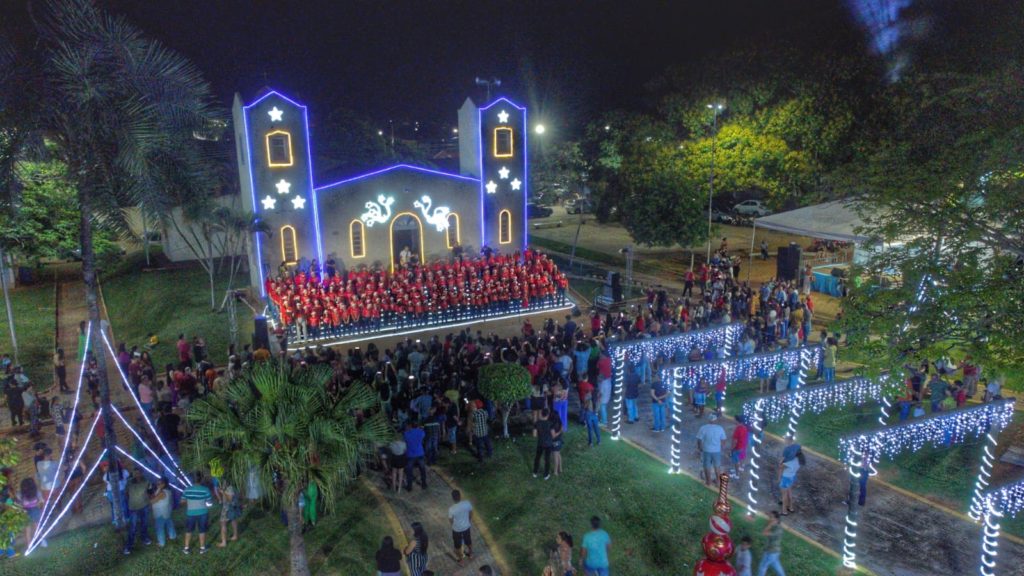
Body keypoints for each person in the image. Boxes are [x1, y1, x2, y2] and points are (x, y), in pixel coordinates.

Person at [182, 472, 213, 554]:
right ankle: (202, 548)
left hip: (190, 513)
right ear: (201, 479)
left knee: (189, 530)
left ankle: (186, 548)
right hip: (203, 513)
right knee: (202, 530)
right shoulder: (205, 489)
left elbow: (182, 501)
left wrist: (190, 503)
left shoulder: (187, 489)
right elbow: (209, 503)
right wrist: (206, 504)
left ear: (192, 480)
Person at [124, 468, 153, 554]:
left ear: (141, 473)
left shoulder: (146, 481)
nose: (136, 475)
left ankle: (144, 538)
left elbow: (150, 492)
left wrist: (148, 501)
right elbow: (126, 493)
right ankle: (129, 545)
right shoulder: (129, 482)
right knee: (133, 527)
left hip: (144, 506)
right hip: (133, 508)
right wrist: (132, 501)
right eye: (134, 473)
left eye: (138, 473)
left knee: (144, 523)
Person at [696, 415, 727, 486]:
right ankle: (718, 482)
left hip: (706, 450)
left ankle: (708, 482)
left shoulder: (703, 428)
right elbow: (723, 439)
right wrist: (721, 447)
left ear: (709, 420)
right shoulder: (720, 428)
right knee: (717, 466)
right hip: (717, 451)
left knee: (707, 466)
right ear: (716, 421)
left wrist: (699, 447)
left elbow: (699, 439)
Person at [448, 489, 474, 563]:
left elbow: (450, 520)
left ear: (453, 498)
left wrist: (455, 525)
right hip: (466, 527)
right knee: (468, 541)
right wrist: (468, 521)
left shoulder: (451, 509)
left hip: (457, 530)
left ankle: (461, 559)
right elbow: (471, 513)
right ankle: (471, 554)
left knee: (458, 545)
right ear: (460, 496)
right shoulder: (467, 503)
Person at [756, 511, 786, 576]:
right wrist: (770, 525)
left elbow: (764, 533)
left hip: (772, 552)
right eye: (769, 517)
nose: (769, 518)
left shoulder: (778, 529)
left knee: (763, 566)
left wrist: (770, 525)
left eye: (771, 517)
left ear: (776, 519)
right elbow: (763, 531)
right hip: (770, 550)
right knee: (777, 567)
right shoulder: (772, 526)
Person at [779, 438, 803, 515]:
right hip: (792, 476)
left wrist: (779, 478)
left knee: (784, 495)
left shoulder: (790, 462)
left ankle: (784, 511)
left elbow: (780, 466)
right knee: (789, 491)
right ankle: (791, 507)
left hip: (785, 478)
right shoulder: (799, 461)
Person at [150, 477, 177, 547]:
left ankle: (161, 543)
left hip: (160, 512)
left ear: (164, 484)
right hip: (167, 511)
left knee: (159, 528)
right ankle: (172, 536)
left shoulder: (162, 492)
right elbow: (154, 496)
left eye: (159, 484)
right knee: (169, 524)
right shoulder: (167, 490)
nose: (157, 485)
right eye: (157, 483)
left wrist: (149, 497)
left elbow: (152, 501)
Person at [403, 421, 428, 491]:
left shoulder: (406, 433)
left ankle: (409, 486)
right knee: (422, 469)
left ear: (411, 425)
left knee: (409, 471)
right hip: (420, 453)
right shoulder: (421, 432)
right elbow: (423, 435)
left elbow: (405, 439)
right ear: (417, 425)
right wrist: (420, 429)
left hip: (410, 454)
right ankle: (424, 484)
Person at [216, 482, 242, 547]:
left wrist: (223, 492)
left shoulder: (230, 488)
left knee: (223, 523)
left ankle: (224, 542)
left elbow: (229, 499)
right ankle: (235, 536)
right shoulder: (232, 487)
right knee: (233, 520)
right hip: (232, 507)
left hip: (227, 508)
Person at [533, 409, 554, 480]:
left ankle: (535, 472)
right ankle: (546, 475)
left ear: (541, 414)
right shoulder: (550, 423)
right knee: (547, 459)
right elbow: (553, 435)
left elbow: (534, 435)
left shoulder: (537, 423)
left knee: (537, 457)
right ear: (548, 415)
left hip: (540, 443)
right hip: (548, 444)